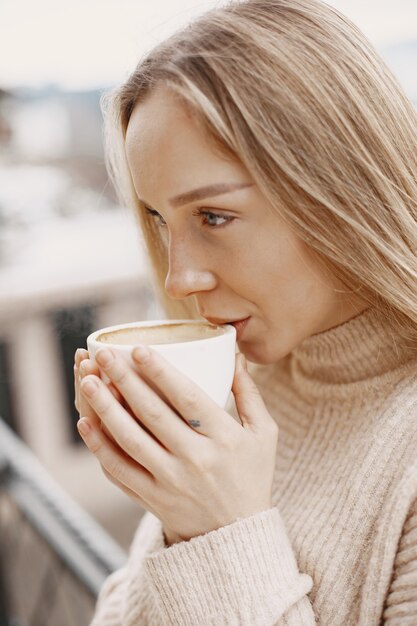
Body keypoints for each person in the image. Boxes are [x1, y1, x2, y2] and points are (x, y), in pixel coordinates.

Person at [73, 0, 417, 623]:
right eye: (159, 218)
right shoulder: (242, 385)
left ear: (340, 190)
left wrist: (218, 532)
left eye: (214, 216)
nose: (179, 277)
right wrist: (173, 510)